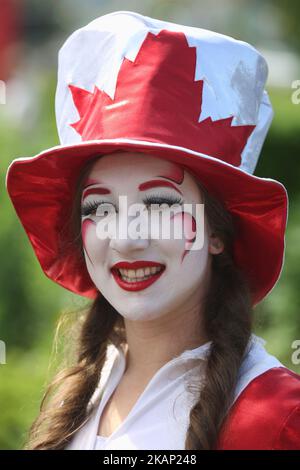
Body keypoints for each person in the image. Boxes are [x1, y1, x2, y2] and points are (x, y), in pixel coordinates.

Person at [5, 10, 300, 450]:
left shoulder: (277, 416)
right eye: (100, 208)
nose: (126, 237)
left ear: (217, 232)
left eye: (160, 203)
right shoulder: (81, 392)